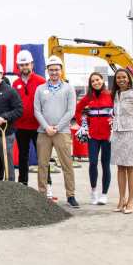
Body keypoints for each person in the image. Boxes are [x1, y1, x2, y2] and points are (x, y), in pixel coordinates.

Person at [34, 56, 79, 208]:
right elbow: (37, 110)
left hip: (63, 132)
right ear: (47, 71)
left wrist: (57, 127)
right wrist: (46, 127)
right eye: (51, 70)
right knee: (42, 164)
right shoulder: (40, 89)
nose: (54, 72)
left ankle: (71, 195)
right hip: (43, 131)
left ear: (61, 70)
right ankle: (42, 194)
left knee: (67, 164)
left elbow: (71, 111)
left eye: (57, 69)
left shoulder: (68, 88)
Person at [12, 49, 53, 195]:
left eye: (27, 64)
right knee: (23, 157)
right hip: (21, 127)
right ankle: (23, 185)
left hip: (39, 127)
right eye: (21, 65)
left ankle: (47, 186)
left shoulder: (42, 81)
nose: (24, 67)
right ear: (18, 66)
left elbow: (48, 104)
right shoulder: (15, 83)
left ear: (32, 64)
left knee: (43, 157)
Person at [110, 69, 133, 214]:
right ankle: (121, 200)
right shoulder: (116, 94)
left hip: (132, 133)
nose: (121, 80)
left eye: (124, 77)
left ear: (129, 78)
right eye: (118, 78)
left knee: (131, 167)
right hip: (118, 133)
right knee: (120, 167)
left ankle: (131, 201)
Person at [75, 72, 114, 205]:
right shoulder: (87, 98)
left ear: (102, 80)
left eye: (98, 80)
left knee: (105, 164)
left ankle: (104, 194)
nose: (96, 82)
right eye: (93, 81)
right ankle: (94, 191)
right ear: (90, 84)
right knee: (92, 163)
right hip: (93, 137)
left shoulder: (110, 96)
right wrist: (84, 125)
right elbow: (78, 110)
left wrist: (114, 122)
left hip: (107, 137)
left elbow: (118, 111)